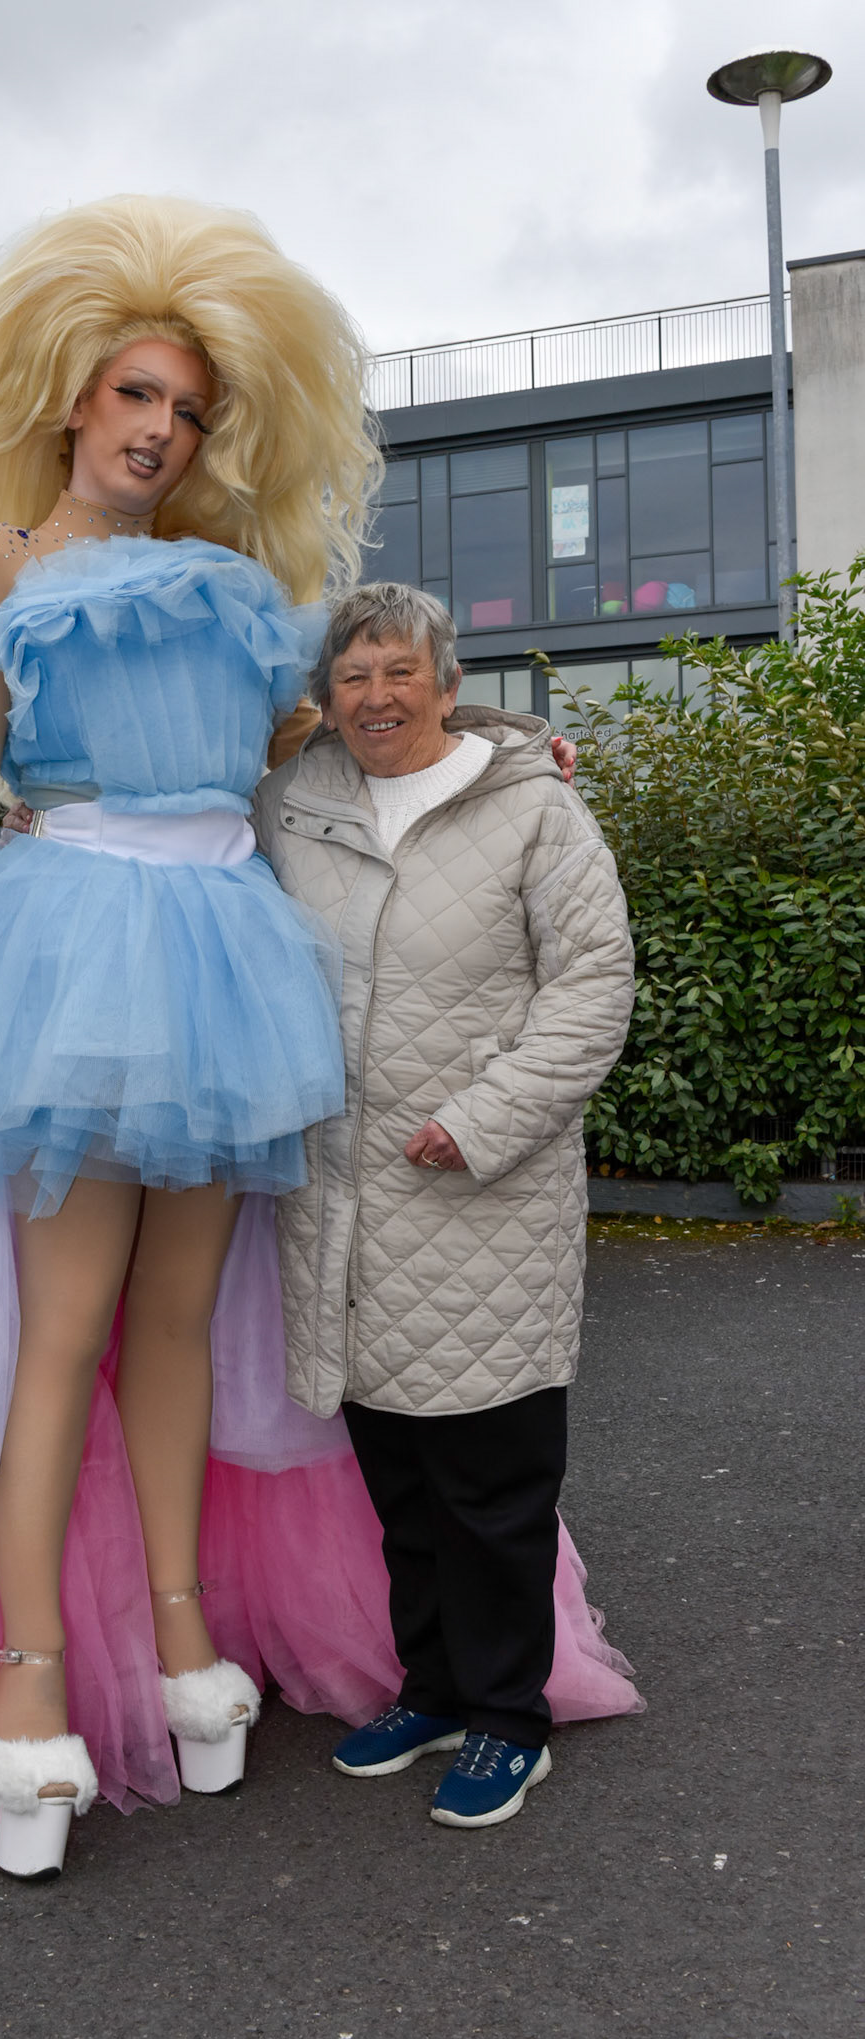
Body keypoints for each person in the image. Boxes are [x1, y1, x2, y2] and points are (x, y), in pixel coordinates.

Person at [0, 199, 639, 1881]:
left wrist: (501, 737)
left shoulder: (243, 585)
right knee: (55, 1337)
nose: (162, 428)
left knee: (176, 1326)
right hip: (72, 963)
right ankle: (27, 1684)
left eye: (191, 408)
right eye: (136, 394)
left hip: (226, 962)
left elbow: (330, 742)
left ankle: (179, 1642)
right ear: (71, 393)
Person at [252, 581, 639, 1828]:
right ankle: (428, 1686)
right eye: (353, 674)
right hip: (341, 1197)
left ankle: (507, 1716)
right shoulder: (294, 802)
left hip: (480, 1191)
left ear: (446, 679)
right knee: (398, 1476)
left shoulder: (533, 808)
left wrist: (480, 1121)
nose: (375, 696)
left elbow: (593, 988)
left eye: (397, 671)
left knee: (493, 1479)